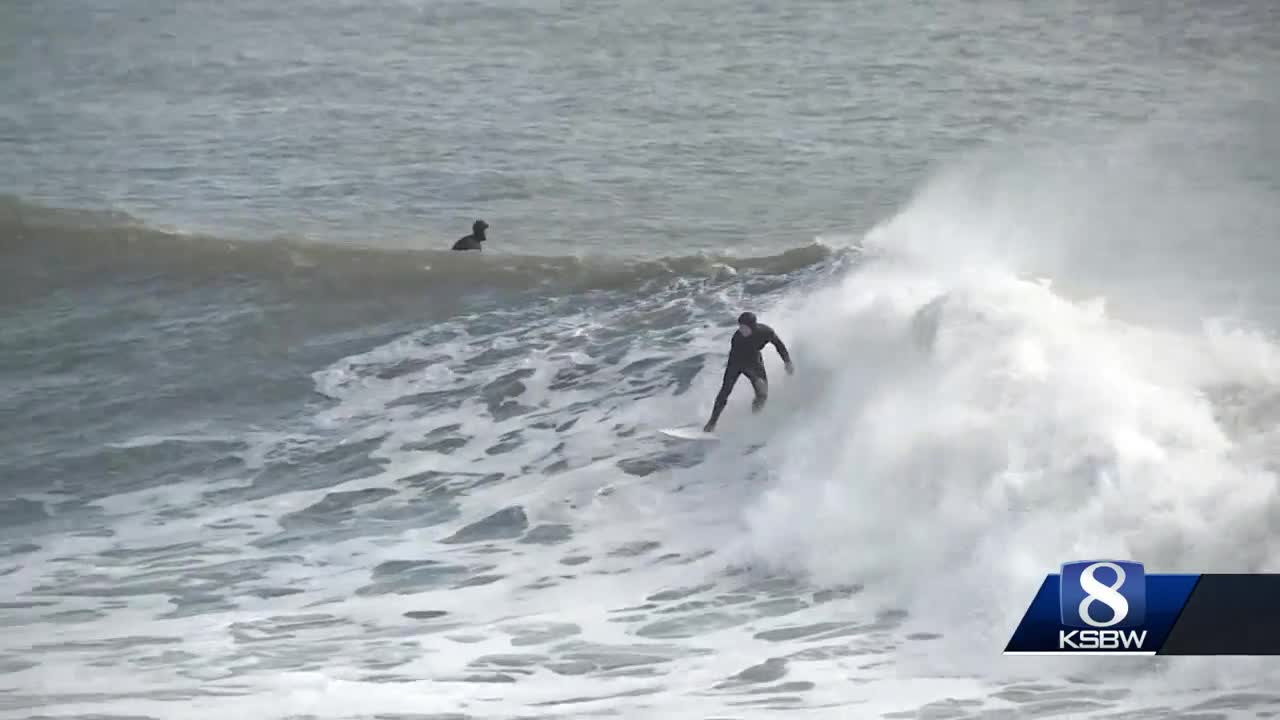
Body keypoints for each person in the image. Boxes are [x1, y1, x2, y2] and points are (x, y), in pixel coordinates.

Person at [704, 311, 793, 433]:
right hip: (736, 363)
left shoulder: (766, 332)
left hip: (754, 363)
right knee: (725, 391)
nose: (741, 330)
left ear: (752, 327)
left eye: (744, 328)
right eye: (740, 327)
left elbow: (779, 345)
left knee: (762, 394)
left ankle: (753, 420)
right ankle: (711, 423)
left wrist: (787, 362)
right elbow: (738, 359)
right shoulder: (737, 338)